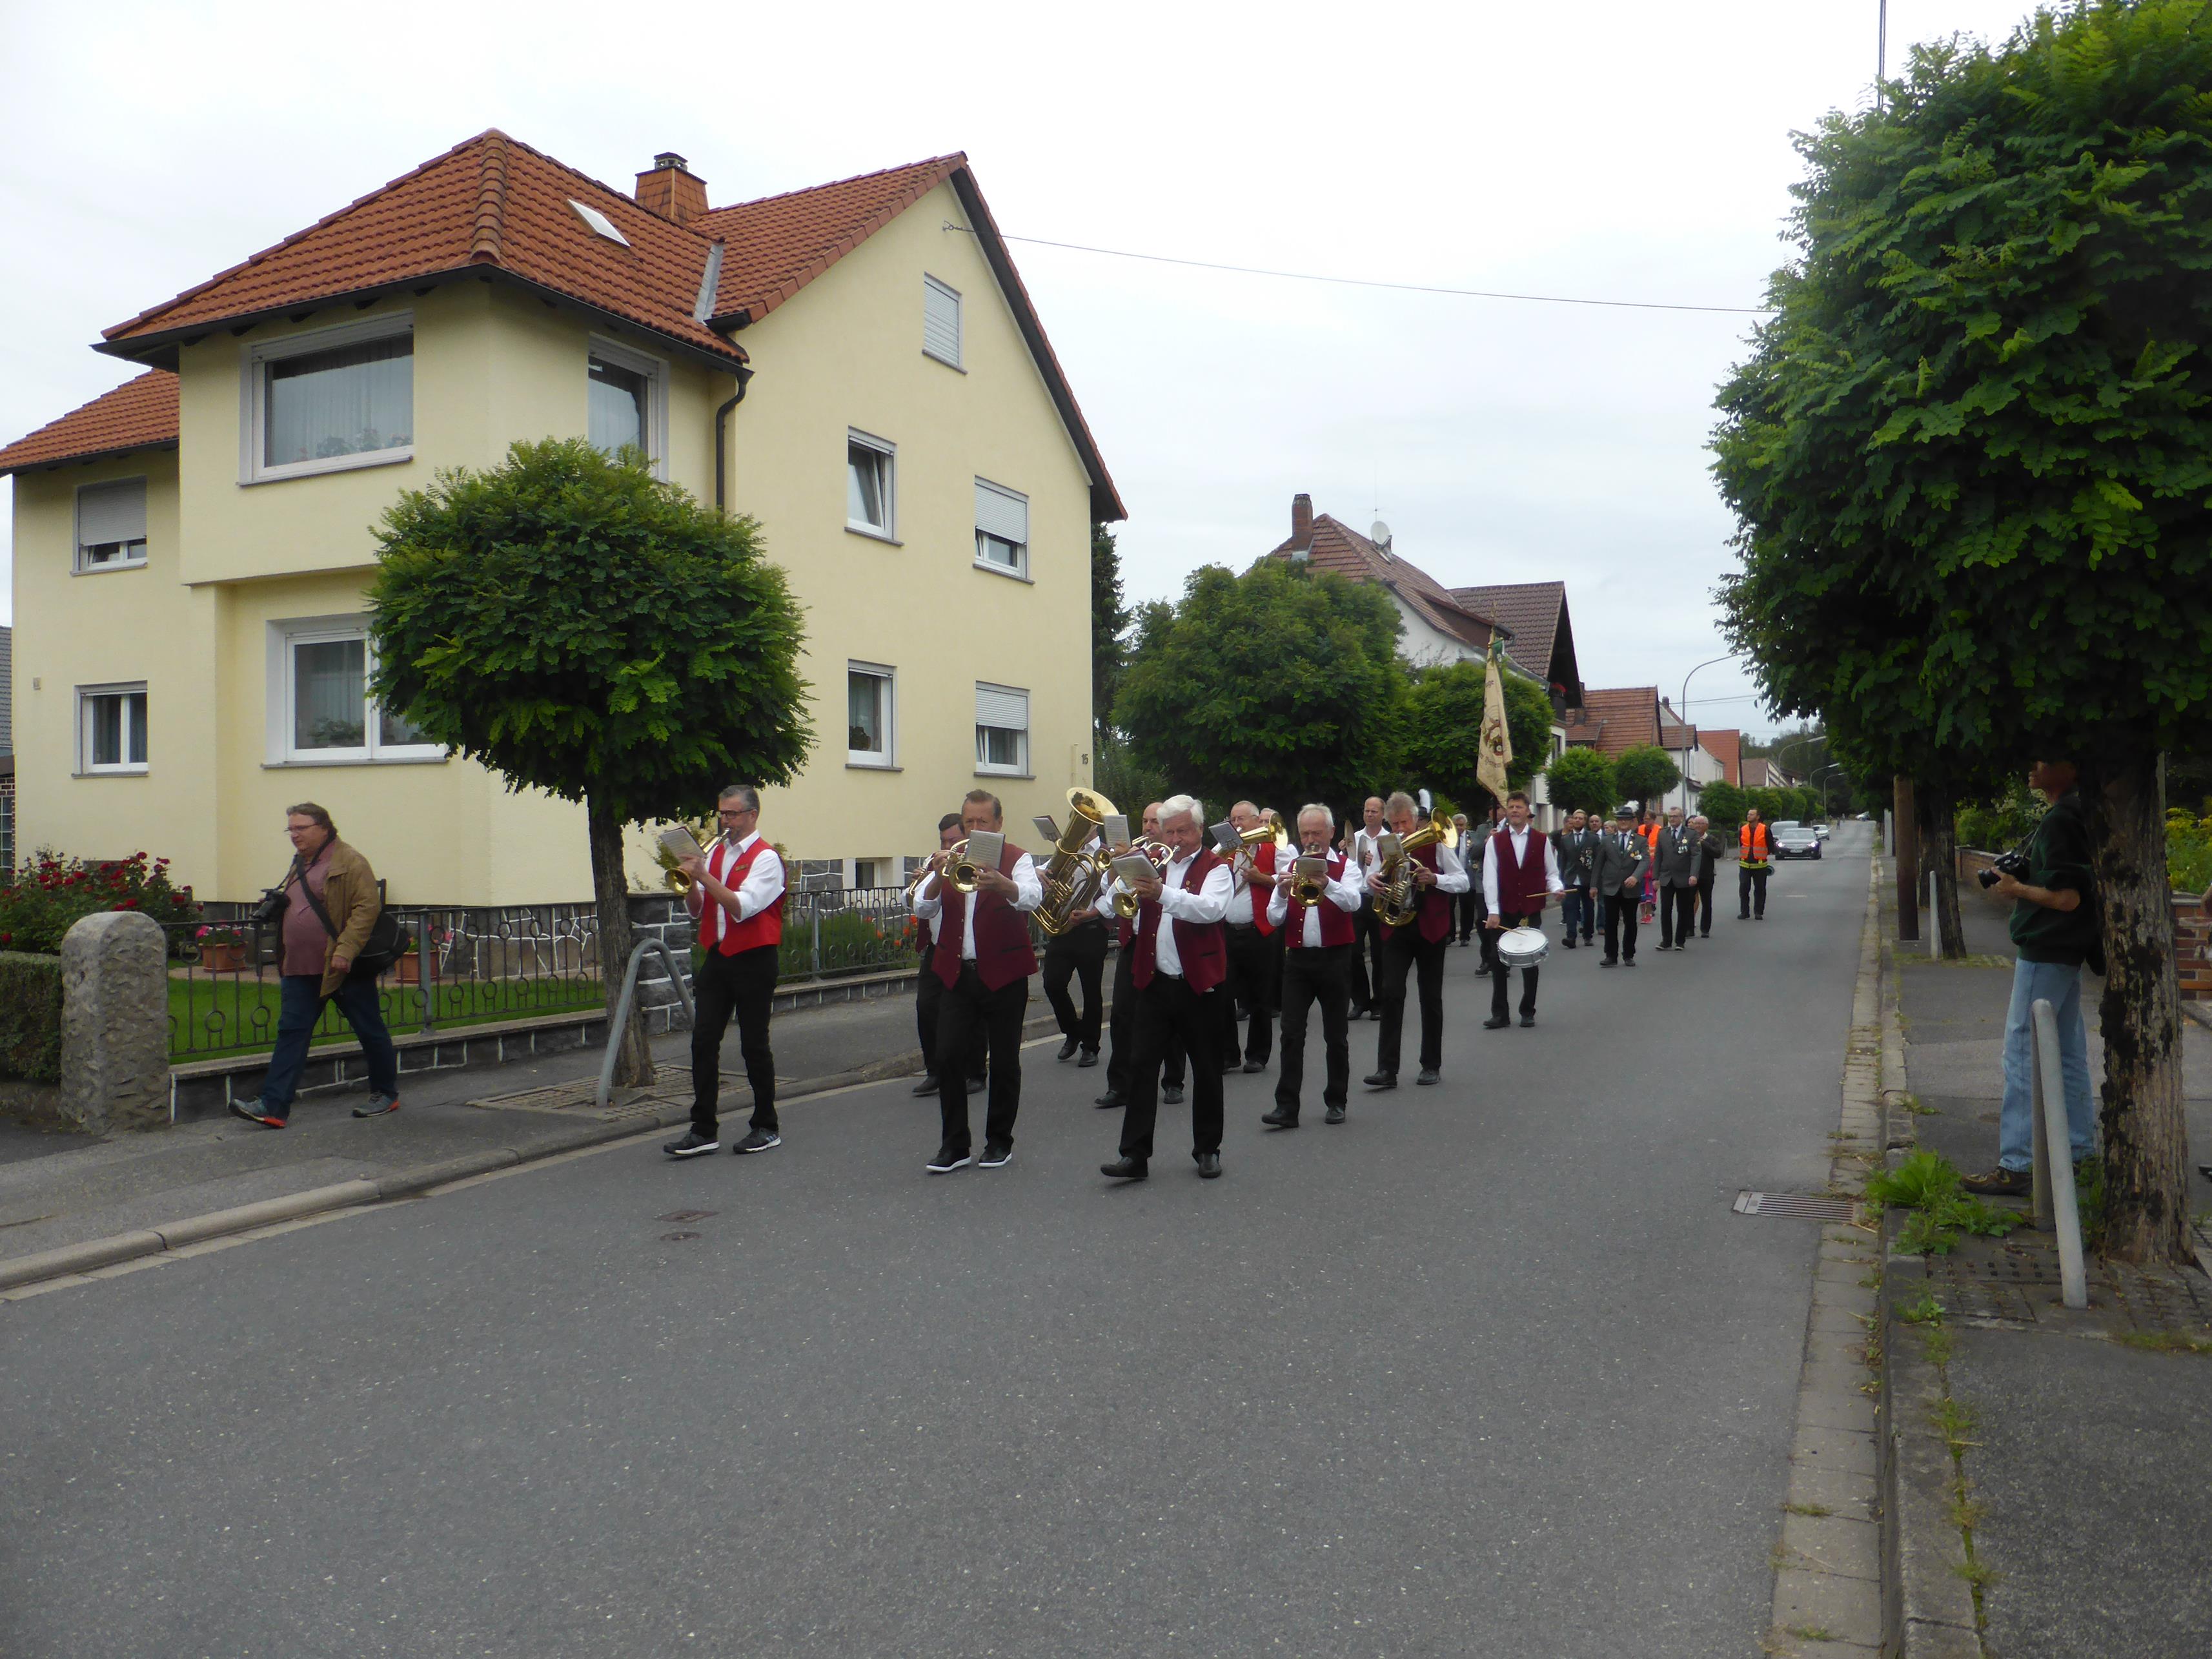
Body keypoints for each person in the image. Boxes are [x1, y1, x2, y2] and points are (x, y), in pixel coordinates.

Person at [1962, 760, 2098, 1197]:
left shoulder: (2061, 818)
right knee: (2068, 1053)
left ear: (2069, 767)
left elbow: (2067, 898)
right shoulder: (2079, 810)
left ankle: (2018, 1164)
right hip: (2066, 951)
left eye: (2043, 760)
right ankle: (2079, 1152)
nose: (2031, 767)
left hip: (2045, 948)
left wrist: (2016, 890)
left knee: (2021, 1053)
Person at [228, 803, 403, 1128]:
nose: (294, 835)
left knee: (369, 1030)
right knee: (291, 1034)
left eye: (301, 828)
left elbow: (366, 908)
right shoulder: (300, 862)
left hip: (340, 967)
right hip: (299, 966)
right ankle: (273, 1107)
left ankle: (385, 1093)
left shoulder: (350, 861)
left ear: (323, 827)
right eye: (291, 829)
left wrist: (346, 950)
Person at [1102, 794, 1232, 1181]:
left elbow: (1210, 909)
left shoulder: (1217, 868)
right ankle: (1134, 1155)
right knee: (1141, 1067)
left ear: (1199, 829)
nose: (1176, 839)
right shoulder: (1152, 862)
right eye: (1169, 831)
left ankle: (1207, 1149)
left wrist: (1161, 893)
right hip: (1155, 982)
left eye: (1183, 831)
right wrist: (1120, 873)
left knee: (1206, 1069)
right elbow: (1112, 903)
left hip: (1199, 986)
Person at [911, 789, 1041, 1172]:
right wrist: (937, 877)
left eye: (983, 821)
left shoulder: (1017, 858)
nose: (975, 828)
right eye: (969, 822)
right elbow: (922, 908)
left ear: (999, 823)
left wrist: (1002, 884)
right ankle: (955, 1145)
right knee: (948, 1056)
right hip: (957, 974)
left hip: (1004, 974)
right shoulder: (951, 859)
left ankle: (999, 1141)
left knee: (1004, 1060)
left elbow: (1032, 898)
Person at [663, 784, 787, 1159]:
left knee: (754, 1045)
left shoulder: (766, 858)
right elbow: (698, 910)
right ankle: (703, 1129)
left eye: (732, 814)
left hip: (754, 958)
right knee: (703, 1041)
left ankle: (766, 1125)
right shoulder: (716, 852)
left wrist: (703, 875)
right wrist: (689, 881)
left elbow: (741, 908)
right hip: (718, 957)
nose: (725, 821)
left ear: (752, 815)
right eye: (722, 813)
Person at [1259, 806, 1365, 1127]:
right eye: (1305, 834)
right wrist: (1280, 893)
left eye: (1316, 833)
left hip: (1335, 959)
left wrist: (1327, 883)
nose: (1310, 840)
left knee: (1336, 1035)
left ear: (1331, 833)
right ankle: (1286, 1107)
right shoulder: (1290, 867)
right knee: (1291, 1034)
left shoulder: (1346, 867)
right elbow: (1273, 918)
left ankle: (1336, 1101)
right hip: (1298, 961)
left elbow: (1354, 902)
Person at [1365, 790, 1470, 1087]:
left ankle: (1431, 1064)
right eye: (1395, 824)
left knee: (1430, 996)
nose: (1400, 830)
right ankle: (1387, 1069)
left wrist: (1435, 879)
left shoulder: (1436, 843)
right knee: (1391, 993)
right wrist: (1371, 881)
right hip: (1396, 927)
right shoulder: (1385, 845)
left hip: (1430, 927)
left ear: (1415, 820)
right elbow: (1369, 879)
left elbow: (1462, 881)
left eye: (1404, 823)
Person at [1095, 800, 1188, 1112]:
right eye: (1145, 821)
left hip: (1166, 943)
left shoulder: (1176, 860)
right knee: (1122, 1015)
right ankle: (1119, 1085)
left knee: (1171, 1014)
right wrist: (1118, 866)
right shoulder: (1136, 855)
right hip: (1134, 943)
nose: (1148, 827)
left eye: (1154, 822)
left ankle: (1173, 1081)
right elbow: (1110, 900)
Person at [913, 813, 988, 1098]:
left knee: (973, 1013)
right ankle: (935, 1071)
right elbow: (919, 905)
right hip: (938, 948)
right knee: (926, 1008)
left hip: (967, 949)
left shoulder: (979, 863)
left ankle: (976, 1072)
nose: (947, 847)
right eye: (943, 841)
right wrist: (932, 876)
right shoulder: (934, 862)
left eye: (953, 840)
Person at [1482, 790, 1564, 1027]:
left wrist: (1557, 889)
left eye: (1519, 807)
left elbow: (1551, 872)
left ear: (1528, 811)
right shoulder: (1495, 841)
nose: (1515, 811)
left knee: (1530, 961)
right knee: (1498, 962)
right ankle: (1500, 1014)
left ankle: (1528, 1011)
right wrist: (1493, 911)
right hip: (1504, 908)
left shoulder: (1541, 840)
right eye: (1511, 807)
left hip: (1529, 909)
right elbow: (1490, 877)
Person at [1040, 819, 1108, 1068]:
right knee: (1052, 984)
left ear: (1096, 826)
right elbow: (1044, 870)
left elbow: (1113, 891)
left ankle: (1090, 1046)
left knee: (1091, 990)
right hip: (1062, 928)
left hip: (1091, 930)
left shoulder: (1106, 853)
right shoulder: (1068, 851)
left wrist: (1093, 913)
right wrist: (1039, 874)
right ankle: (1072, 1031)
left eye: (1086, 822)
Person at [1221, 799, 1281, 1073]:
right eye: (1233, 819)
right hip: (1227, 932)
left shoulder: (1274, 848)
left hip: (1259, 932)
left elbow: (1289, 879)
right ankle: (1228, 1053)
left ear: (1257, 822)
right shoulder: (1226, 851)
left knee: (1260, 997)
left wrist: (1262, 878)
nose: (1237, 824)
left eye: (1242, 819)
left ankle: (1257, 1054)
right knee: (1223, 995)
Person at [1346, 795, 1388, 1019]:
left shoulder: (1390, 839)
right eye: (1367, 811)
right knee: (1354, 952)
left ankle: (1379, 1002)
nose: (1369, 815)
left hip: (1381, 898)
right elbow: (1346, 869)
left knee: (1381, 953)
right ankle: (1360, 1001)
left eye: (1374, 811)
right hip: (1359, 899)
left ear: (1383, 814)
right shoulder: (1354, 838)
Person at [1595, 805, 1650, 967]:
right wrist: (1594, 886)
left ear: (1632, 822)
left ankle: (1628, 954)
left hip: (1630, 888)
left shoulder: (1640, 841)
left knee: (1630, 922)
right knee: (1610, 922)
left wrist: (1635, 877)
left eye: (1627, 819)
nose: (1623, 822)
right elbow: (1598, 865)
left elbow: (1645, 861)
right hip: (1610, 886)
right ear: (1617, 822)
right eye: (1620, 819)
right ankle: (1610, 955)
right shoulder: (1606, 840)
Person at [1651, 805, 1702, 952]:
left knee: (1683, 909)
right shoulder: (1663, 834)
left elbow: (1696, 856)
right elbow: (1658, 856)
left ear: (1681, 818)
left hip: (1684, 877)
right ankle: (1666, 940)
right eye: (1670, 816)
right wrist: (1655, 877)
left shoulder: (1691, 834)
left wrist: (1693, 874)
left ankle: (1680, 940)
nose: (1672, 819)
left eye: (1675, 816)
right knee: (1665, 909)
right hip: (1666, 877)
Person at [1554, 808, 1600, 949]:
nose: (1578, 820)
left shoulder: (1593, 838)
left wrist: (1595, 883)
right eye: (1575, 818)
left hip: (1587, 879)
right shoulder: (1565, 839)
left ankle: (1588, 935)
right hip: (1571, 879)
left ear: (1585, 821)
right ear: (1572, 820)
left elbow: (1597, 861)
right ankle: (1571, 937)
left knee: (1588, 908)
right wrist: (1560, 881)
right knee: (1571, 908)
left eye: (1581, 818)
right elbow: (1562, 861)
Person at [1738, 808, 1774, 920]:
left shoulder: (1765, 829)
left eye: (1752, 814)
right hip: (1745, 864)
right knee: (1744, 889)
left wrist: (1762, 854)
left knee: (1760, 889)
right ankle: (1744, 912)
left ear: (1758, 817)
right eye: (1748, 814)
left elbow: (1770, 846)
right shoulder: (1743, 829)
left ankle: (1758, 912)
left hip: (1760, 865)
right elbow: (1741, 843)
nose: (1749, 816)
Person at [1693, 815, 1724, 937]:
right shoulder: (1689, 838)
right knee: (1689, 902)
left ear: (1707, 826)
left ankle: (1705, 929)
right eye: (1696, 823)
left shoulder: (1712, 839)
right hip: (1691, 875)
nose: (1698, 826)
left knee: (1707, 903)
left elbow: (1718, 853)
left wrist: (1703, 843)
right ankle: (1689, 928)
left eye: (1701, 824)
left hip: (1706, 875)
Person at [1451, 813, 1477, 946]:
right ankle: (1449, 935)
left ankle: (1465, 936)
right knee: (1449, 905)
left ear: (1466, 825)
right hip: (1451, 874)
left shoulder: (1472, 837)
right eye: (1456, 825)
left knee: (1467, 907)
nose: (1459, 828)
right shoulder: (1448, 837)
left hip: (1467, 875)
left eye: (1461, 825)